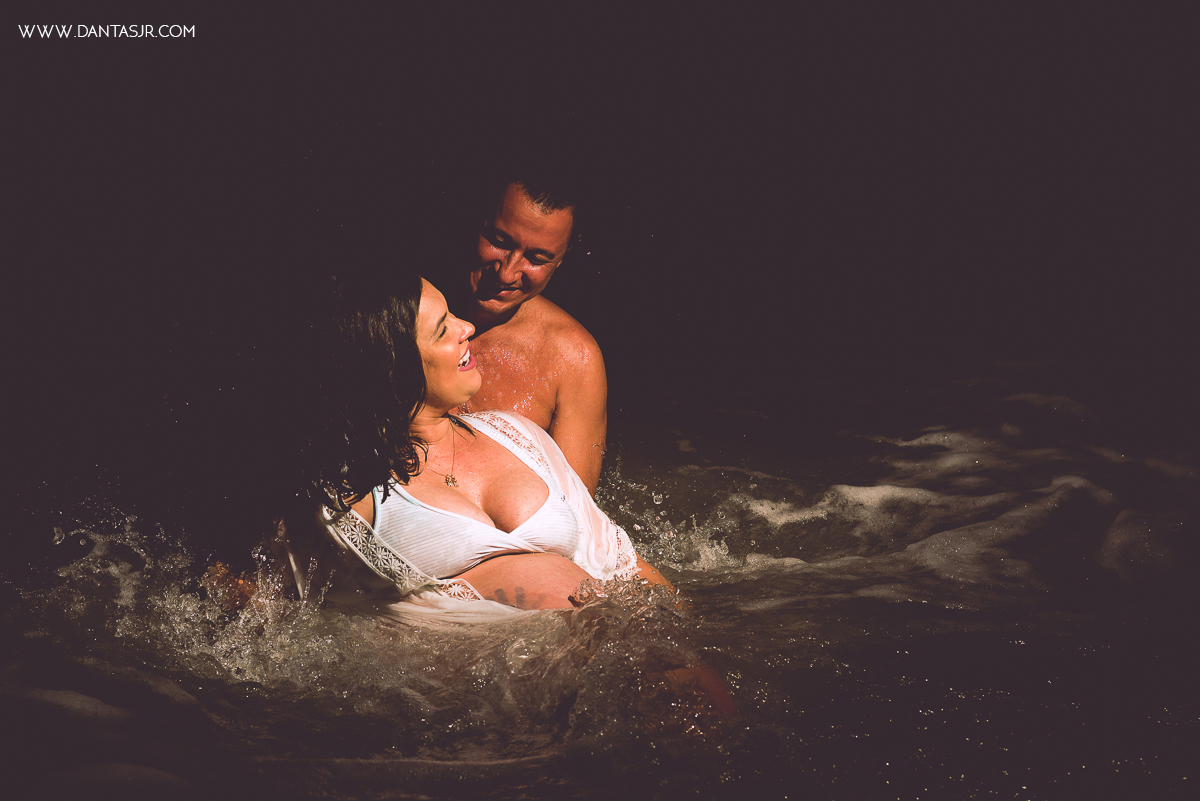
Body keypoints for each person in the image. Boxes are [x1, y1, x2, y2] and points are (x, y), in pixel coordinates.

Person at [285, 270, 668, 622]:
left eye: (454, 315)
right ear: (393, 367)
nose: (467, 327)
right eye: (442, 330)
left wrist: (684, 632)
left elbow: (620, 562)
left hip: (614, 646)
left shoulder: (516, 434)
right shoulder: (346, 498)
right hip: (496, 683)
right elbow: (289, 610)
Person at [448, 175, 608, 496]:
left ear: (560, 261)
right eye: (499, 241)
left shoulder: (574, 358)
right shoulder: (402, 311)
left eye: (536, 259)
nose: (507, 272)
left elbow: (576, 517)